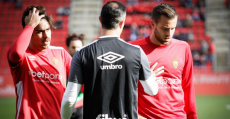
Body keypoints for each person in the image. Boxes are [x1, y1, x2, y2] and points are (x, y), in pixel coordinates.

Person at [61, 1, 163, 119]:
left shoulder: (81, 53)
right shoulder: (137, 52)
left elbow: (69, 99)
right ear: (122, 23)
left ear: (100, 20)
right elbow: (152, 90)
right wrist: (150, 78)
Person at [129, 3, 197, 119]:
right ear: (153, 24)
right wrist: (144, 79)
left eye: (173, 28)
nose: (169, 34)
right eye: (165, 28)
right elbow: (124, 87)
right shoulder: (133, 49)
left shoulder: (183, 48)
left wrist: (192, 116)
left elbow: (188, 87)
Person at [7, 5, 72, 119]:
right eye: (40, 31)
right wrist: (29, 25)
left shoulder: (61, 53)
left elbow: (82, 80)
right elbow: (16, 53)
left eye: (48, 29)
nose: (46, 35)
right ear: (29, 32)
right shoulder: (22, 55)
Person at [66, 33, 85, 119]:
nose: (76, 50)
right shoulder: (61, 64)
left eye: (78, 47)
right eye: (73, 47)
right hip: (64, 106)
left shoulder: (87, 65)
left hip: (80, 107)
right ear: (68, 48)